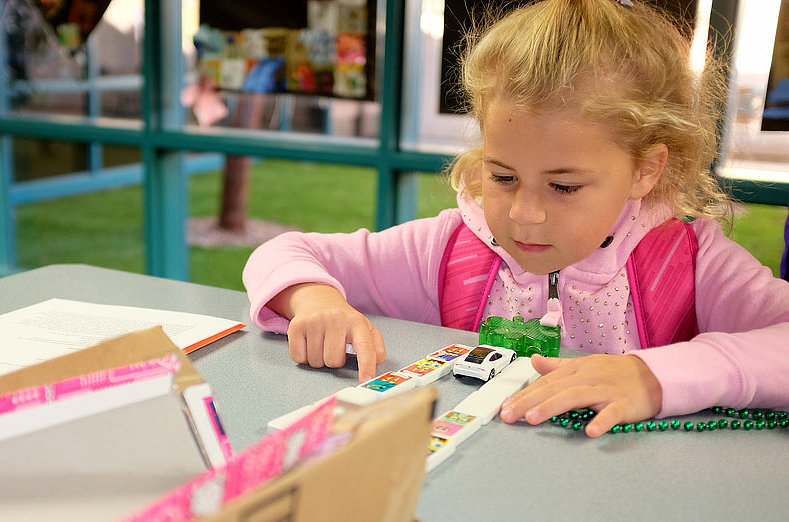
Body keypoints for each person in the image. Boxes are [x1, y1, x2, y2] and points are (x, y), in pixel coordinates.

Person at [242, 0, 789, 437]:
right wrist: (314, 299)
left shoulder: (690, 262)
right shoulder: (450, 247)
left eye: (564, 186)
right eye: (503, 177)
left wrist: (656, 376)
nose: (525, 215)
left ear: (646, 170)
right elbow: (287, 252)